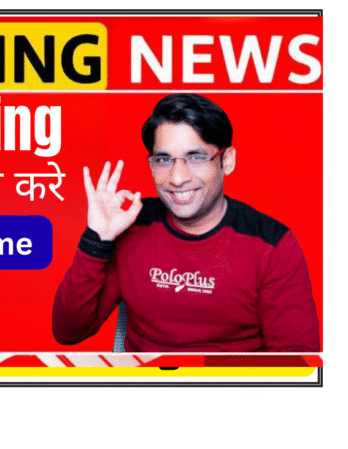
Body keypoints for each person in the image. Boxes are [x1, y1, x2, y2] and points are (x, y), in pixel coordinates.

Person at [52, 93, 320, 352]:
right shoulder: (130, 225)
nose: (177, 178)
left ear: (227, 160)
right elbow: (68, 332)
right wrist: (96, 239)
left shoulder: (272, 244)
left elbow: (296, 363)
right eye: (163, 159)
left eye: (196, 157)